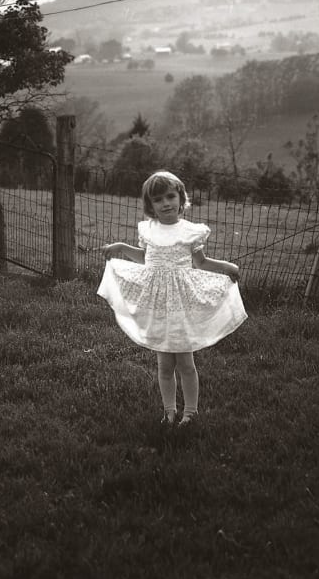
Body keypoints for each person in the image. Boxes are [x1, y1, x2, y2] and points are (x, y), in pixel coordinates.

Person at [97, 170, 247, 431]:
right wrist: (120, 247)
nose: (166, 203)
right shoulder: (149, 229)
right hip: (158, 304)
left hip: (180, 302)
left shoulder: (191, 231)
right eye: (158, 200)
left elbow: (201, 262)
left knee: (185, 363)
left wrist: (227, 267)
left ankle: (191, 412)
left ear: (181, 198)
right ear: (150, 205)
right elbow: (146, 258)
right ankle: (169, 411)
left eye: (170, 196)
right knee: (164, 364)